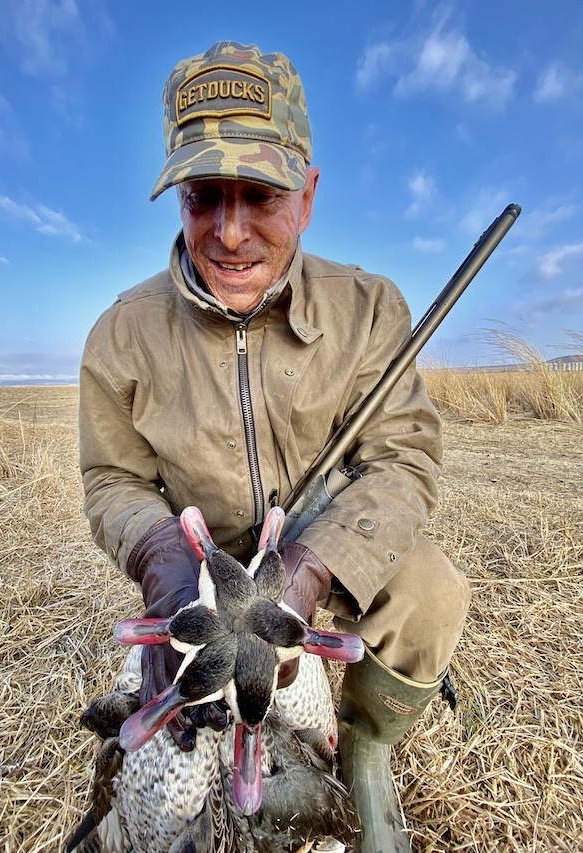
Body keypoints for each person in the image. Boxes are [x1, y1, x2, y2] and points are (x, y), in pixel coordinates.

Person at [79, 41, 471, 853]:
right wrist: (163, 563)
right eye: (201, 196)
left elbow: (402, 457)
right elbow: (114, 478)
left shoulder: (367, 308)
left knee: (433, 590)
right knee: (155, 760)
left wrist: (309, 569)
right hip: (203, 566)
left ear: (309, 192)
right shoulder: (120, 334)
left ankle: (361, 754)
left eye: (259, 193)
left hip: (314, 549)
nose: (228, 231)